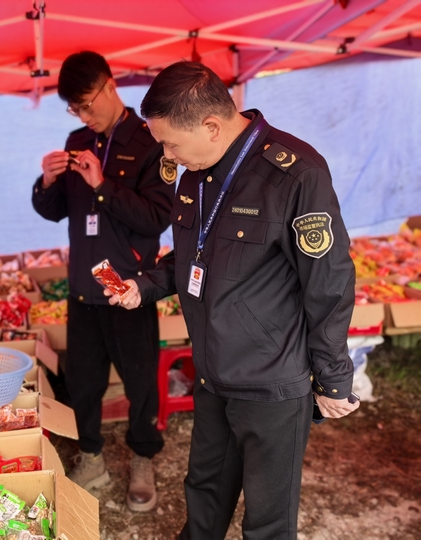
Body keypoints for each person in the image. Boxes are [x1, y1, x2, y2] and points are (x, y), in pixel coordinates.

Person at [107, 61, 360, 538]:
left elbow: (328, 281)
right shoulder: (196, 172)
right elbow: (190, 254)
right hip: (212, 371)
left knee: (266, 519)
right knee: (203, 490)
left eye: (170, 144)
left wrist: (332, 378)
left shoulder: (294, 173)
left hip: (271, 382)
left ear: (211, 126)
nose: (166, 155)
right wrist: (144, 285)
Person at [31, 51, 175, 512]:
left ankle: (142, 457)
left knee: (140, 382)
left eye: (87, 104)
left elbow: (156, 217)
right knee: (83, 382)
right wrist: (46, 182)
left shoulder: (150, 141)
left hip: (129, 291)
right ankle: (91, 457)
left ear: (110, 85)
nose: (83, 116)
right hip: (82, 289)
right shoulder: (77, 141)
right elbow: (55, 210)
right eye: (74, 109)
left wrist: (102, 186)